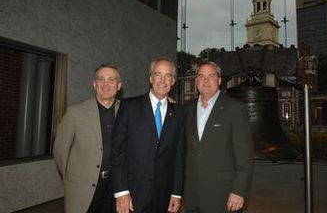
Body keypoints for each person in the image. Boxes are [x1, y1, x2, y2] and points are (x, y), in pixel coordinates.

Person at [111, 57, 185, 213]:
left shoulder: (179, 113)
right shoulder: (129, 107)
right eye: (158, 74)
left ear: (173, 81)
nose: (162, 80)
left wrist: (176, 193)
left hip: (163, 196)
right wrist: (121, 191)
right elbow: (117, 152)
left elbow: (179, 156)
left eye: (168, 75)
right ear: (151, 78)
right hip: (131, 195)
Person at [183, 61, 254, 213]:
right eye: (201, 76)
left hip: (223, 196)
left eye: (211, 76)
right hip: (192, 195)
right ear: (196, 81)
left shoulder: (235, 109)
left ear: (219, 81)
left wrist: (239, 191)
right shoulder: (186, 109)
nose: (206, 80)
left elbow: (245, 157)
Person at [53, 63, 122, 213]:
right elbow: (60, 150)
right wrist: (72, 178)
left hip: (116, 188)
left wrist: (166, 102)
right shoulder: (74, 113)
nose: (105, 84)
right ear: (94, 83)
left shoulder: (127, 111)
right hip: (83, 188)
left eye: (111, 79)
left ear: (118, 85)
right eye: (101, 79)